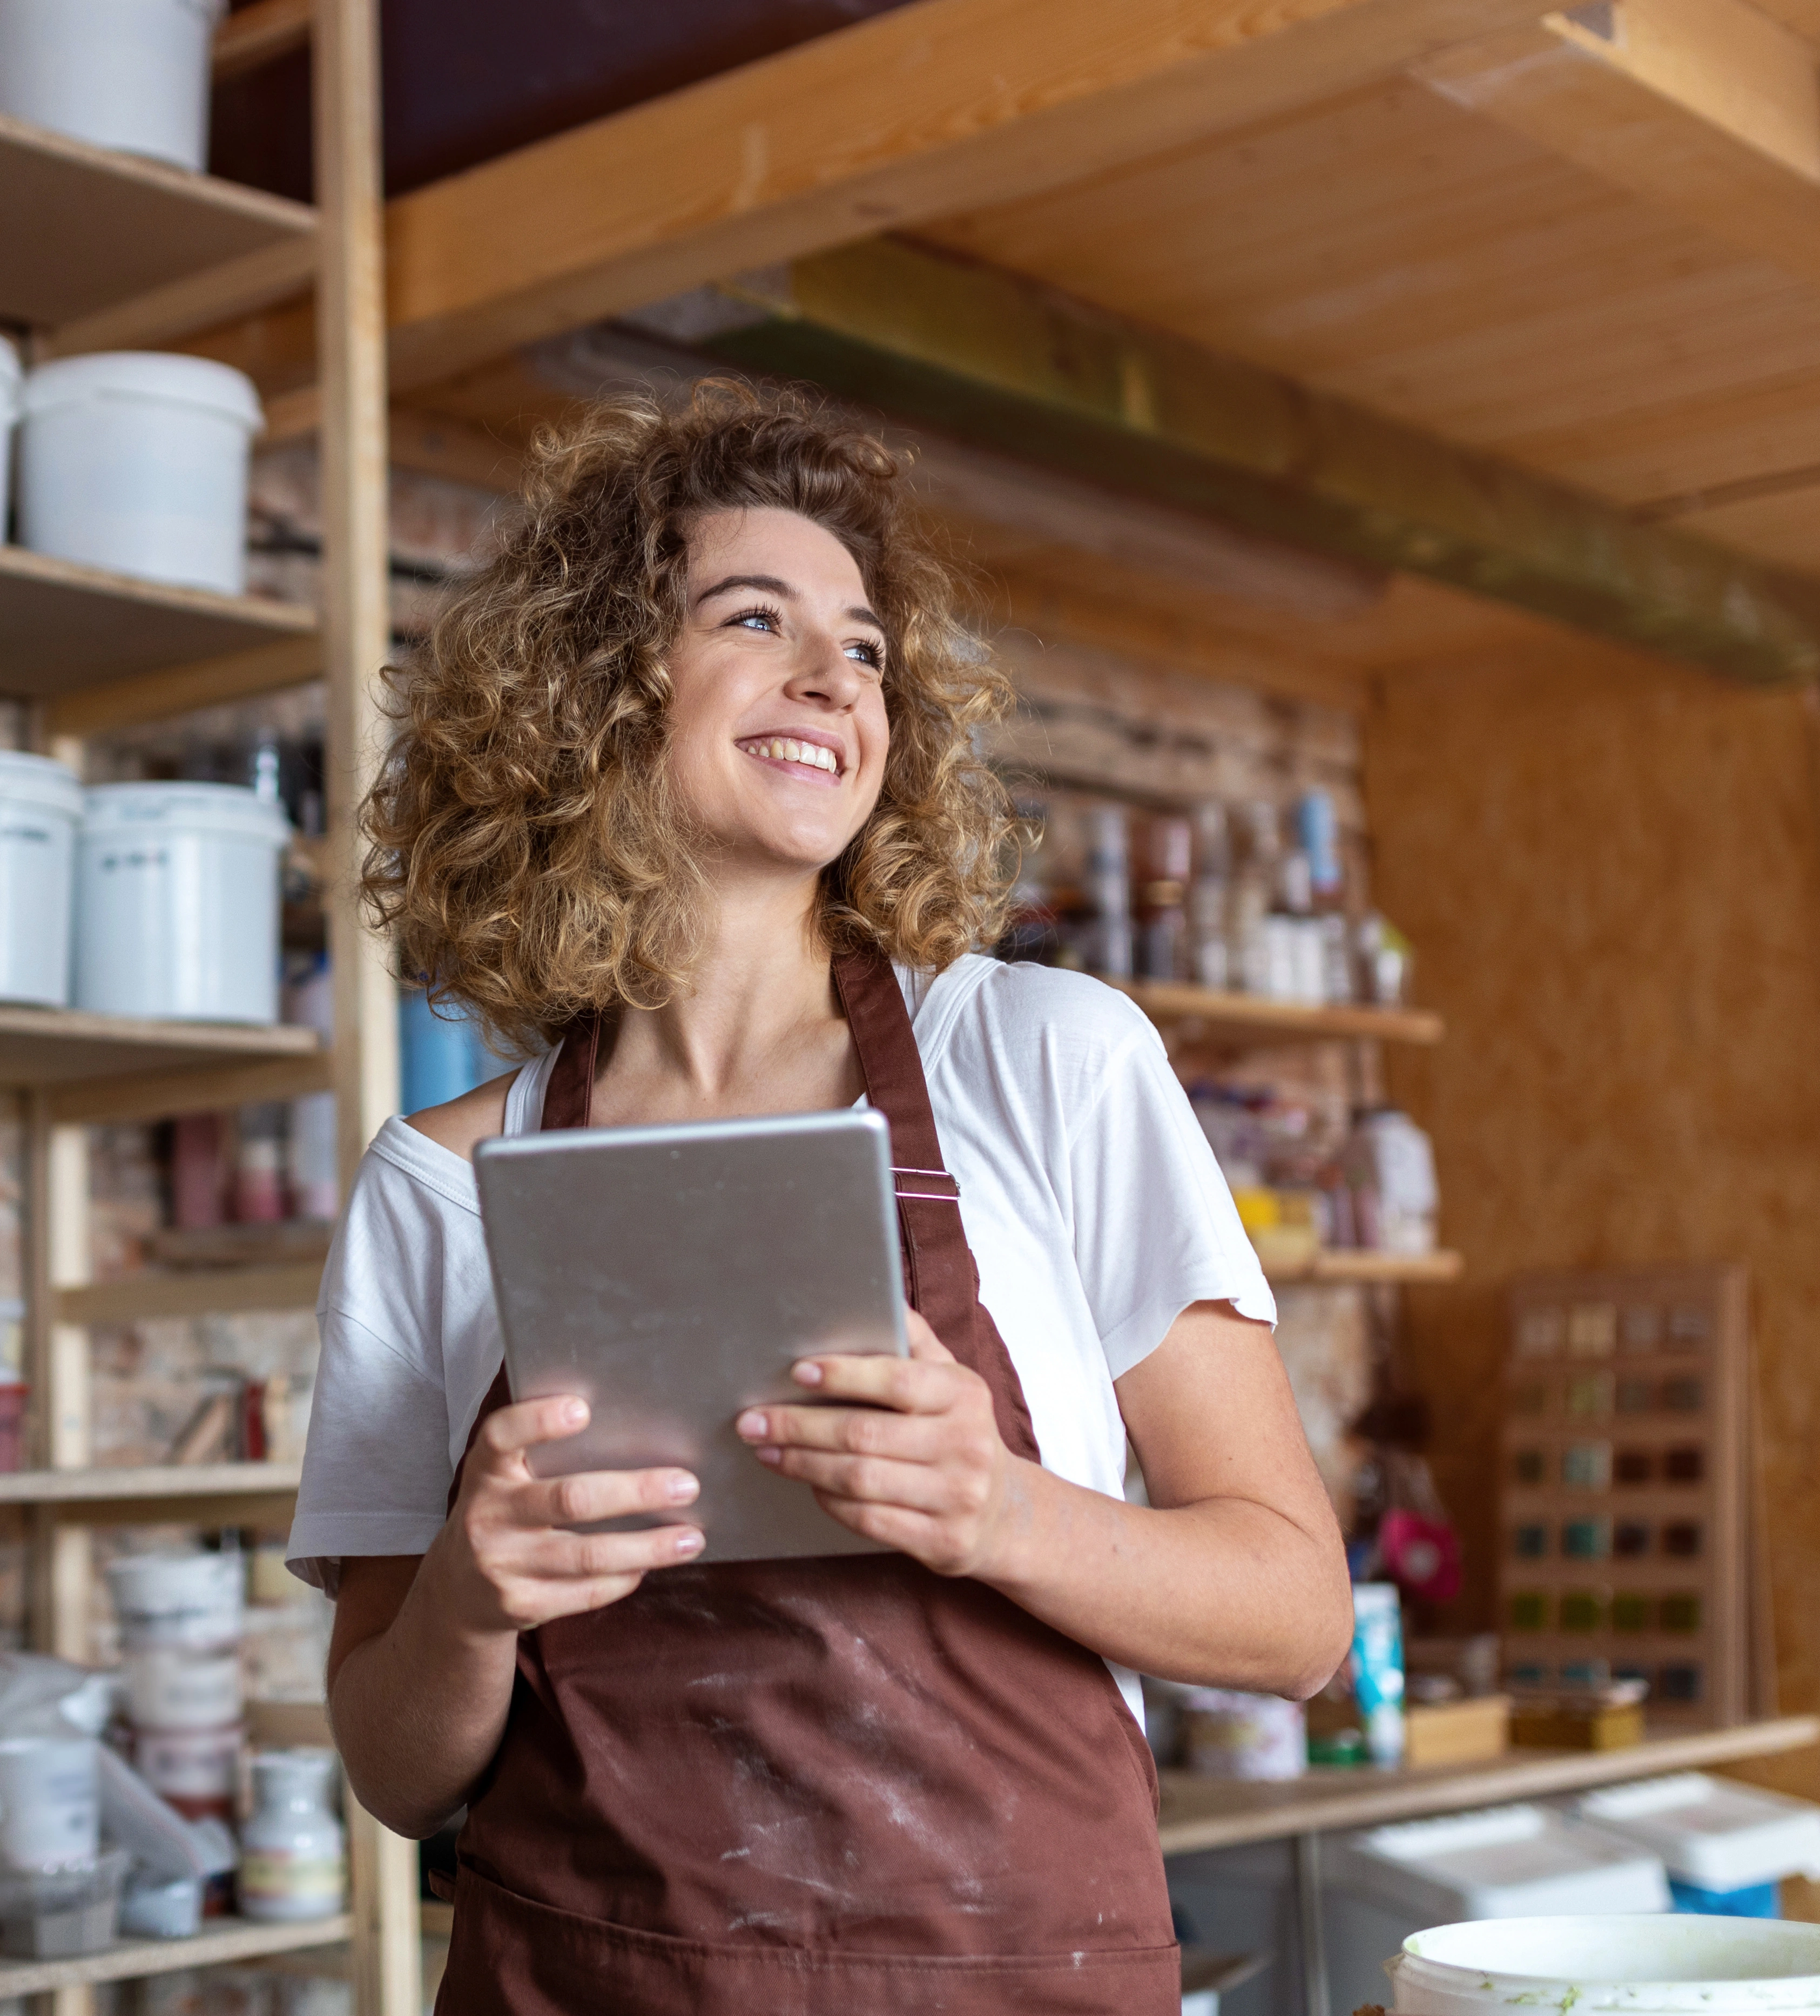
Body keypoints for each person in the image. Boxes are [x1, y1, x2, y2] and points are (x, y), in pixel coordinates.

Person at [289, 381, 1354, 2013]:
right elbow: (394, 1765)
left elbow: (1295, 1618)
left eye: (862, 648)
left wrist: (1000, 1509)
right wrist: (465, 1593)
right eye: (755, 617)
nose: (828, 678)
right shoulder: (440, 1184)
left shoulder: (1044, 1058)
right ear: (598, 686)